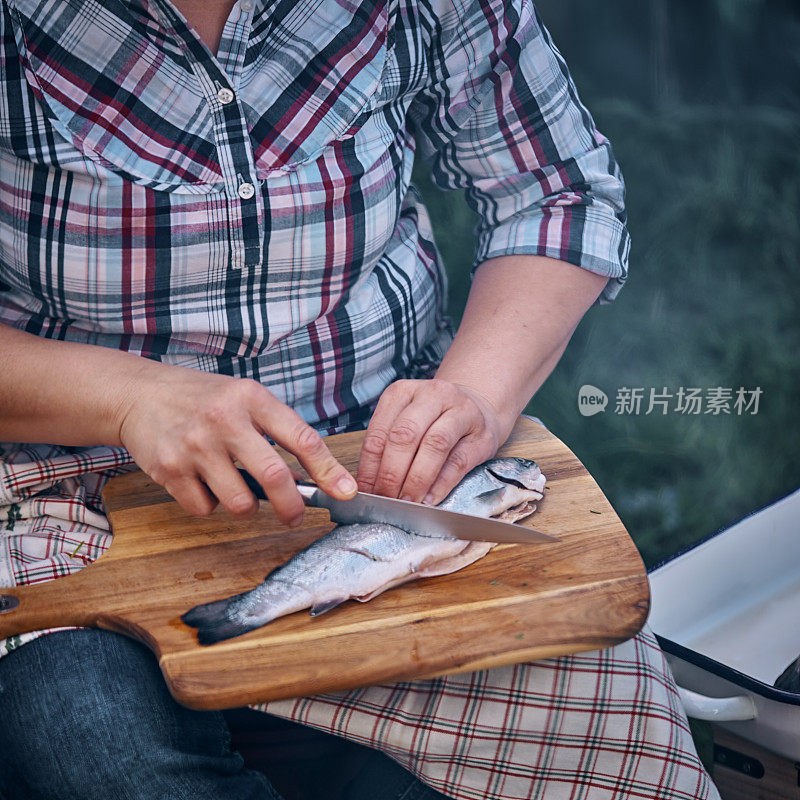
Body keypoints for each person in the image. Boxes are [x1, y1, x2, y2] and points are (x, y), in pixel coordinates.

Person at [0, 0, 719, 797]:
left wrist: (473, 394)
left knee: (613, 725)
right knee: (100, 755)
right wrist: (127, 398)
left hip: (388, 470)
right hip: (70, 501)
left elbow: (556, 191)